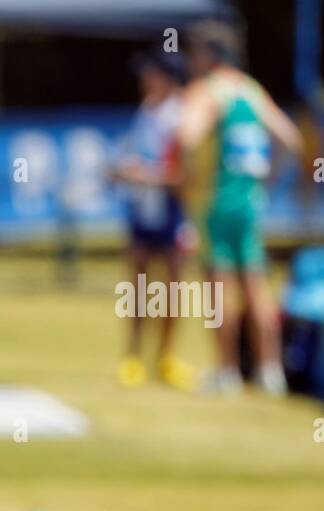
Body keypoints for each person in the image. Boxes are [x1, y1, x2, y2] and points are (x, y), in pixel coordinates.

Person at [177, 19, 302, 396]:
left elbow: (187, 137)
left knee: (219, 287)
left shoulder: (206, 92)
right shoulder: (250, 89)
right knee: (256, 285)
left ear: (207, 54)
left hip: (215, 201)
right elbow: (290, 139)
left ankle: (227, 371)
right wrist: (268, 178)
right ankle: (270, 370)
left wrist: (187, 175)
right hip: (249, 201)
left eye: (194, 53)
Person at [110, 50, 197, 390]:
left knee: (172, 289)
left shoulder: (183, 117)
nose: (144, 81)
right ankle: (133, 358)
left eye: (151, 74)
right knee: (138, 288)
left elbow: (185, 174)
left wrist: (145, 175)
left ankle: (165, 358)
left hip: (173, 212)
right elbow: (134, 157)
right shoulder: (146, 111)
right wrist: (122, 171)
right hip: (143, 210)